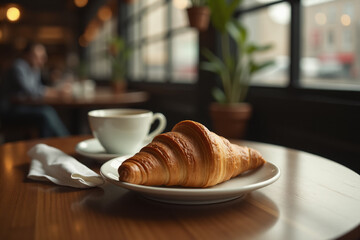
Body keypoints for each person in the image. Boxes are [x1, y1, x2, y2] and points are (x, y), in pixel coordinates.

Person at [0, 42, 71, 137]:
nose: (42, 60)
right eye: (38, 56)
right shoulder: (18, 66)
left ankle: (48, 145)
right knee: (46, 113)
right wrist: (58, 92)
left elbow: (39, 88)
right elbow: (32, 91)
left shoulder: (34, 67)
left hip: (25, 106)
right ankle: (65, 139)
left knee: (46, 114)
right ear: (27, 55)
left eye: (43, 56)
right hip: (10, 109)